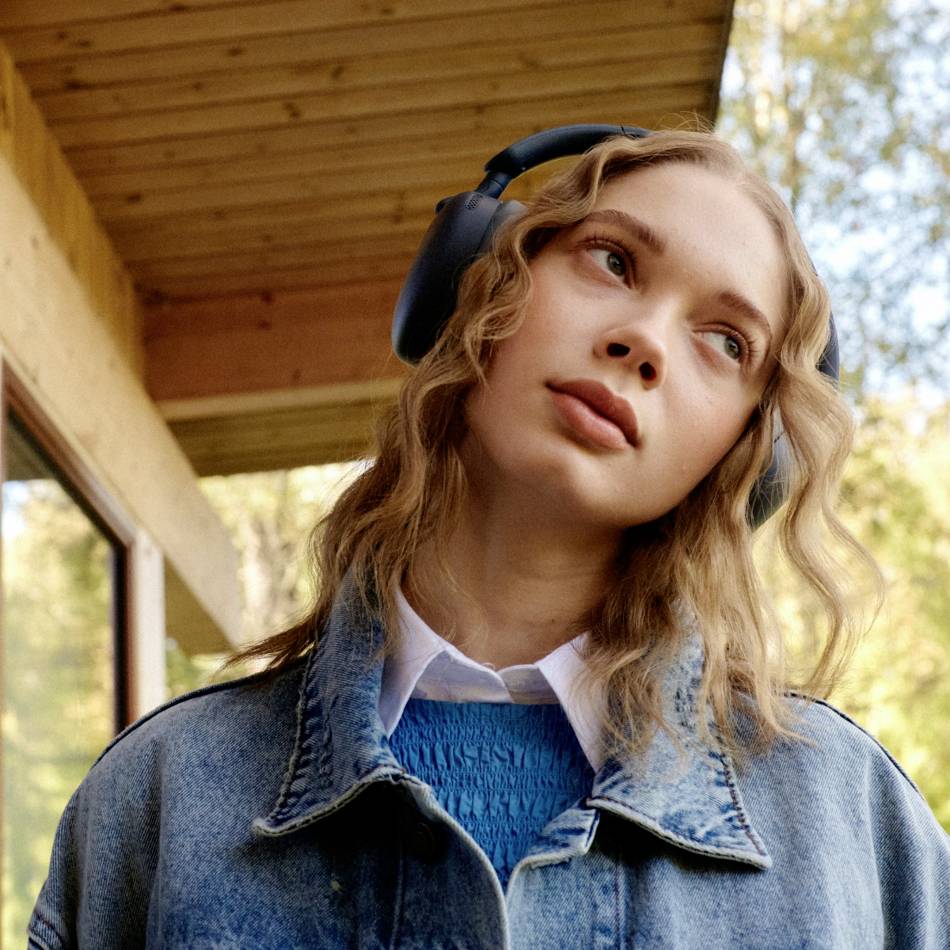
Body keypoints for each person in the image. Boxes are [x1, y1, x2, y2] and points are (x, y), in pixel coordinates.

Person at [29, 126, 949, 949]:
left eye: (726, 341)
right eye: (614, 262)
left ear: (749, 453)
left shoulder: (855, 823)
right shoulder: (160, 796)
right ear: (478, 286)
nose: (644, 341)